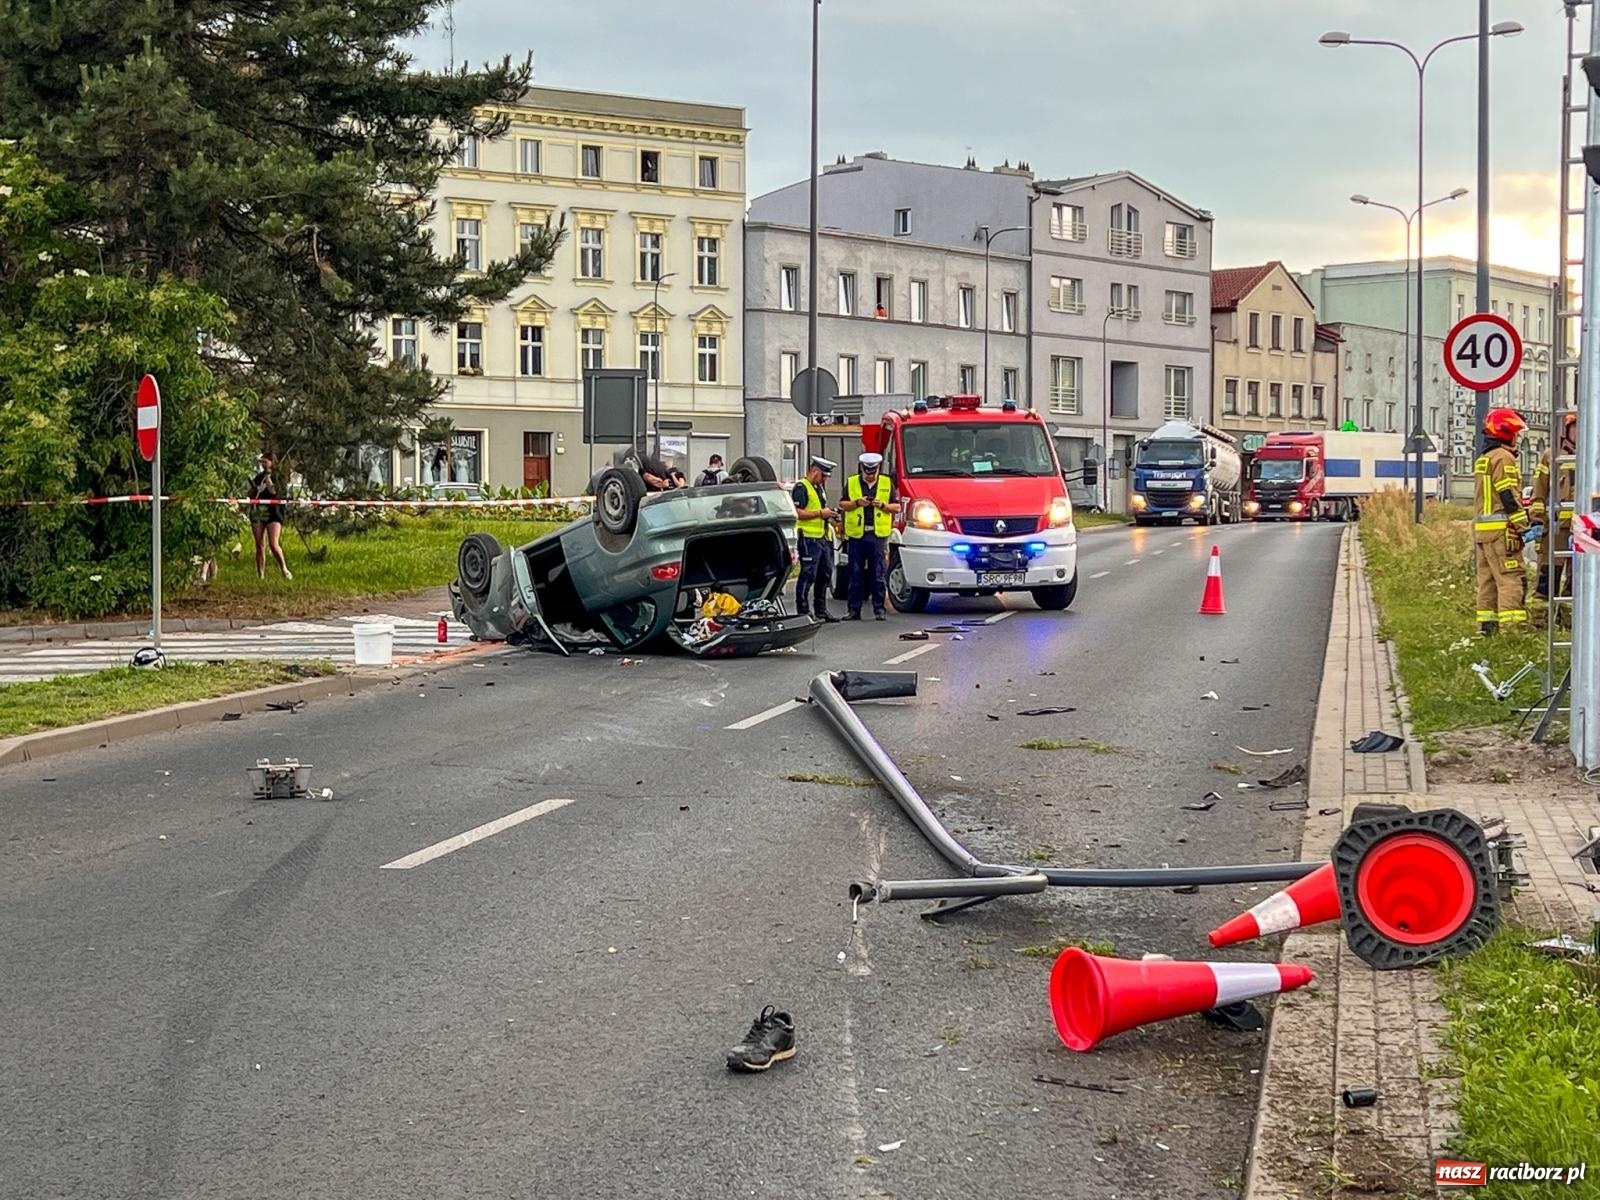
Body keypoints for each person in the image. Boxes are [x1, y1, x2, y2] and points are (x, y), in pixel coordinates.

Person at [1473, 408, 1530, 635]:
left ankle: (1487, 630)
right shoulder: (1503, 458)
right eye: (1516, 433)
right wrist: (1523, 527)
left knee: (1487, 582)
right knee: (1510, 580)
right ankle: (1512, 631)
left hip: (1483, 531)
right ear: (1506, 432)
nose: (1517, 438)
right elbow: (1508, 495)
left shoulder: (1485, 458)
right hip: (1501, 532)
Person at [840, 451, 901, 620]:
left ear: (878, 469)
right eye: (867, 472)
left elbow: (897, 507)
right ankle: (854, 610)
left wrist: (882, 505)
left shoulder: (887, 483)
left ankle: (879, 609)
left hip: (877, 535)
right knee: (855, 573)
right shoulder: (852, 482)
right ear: (862, 468)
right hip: (857, 534)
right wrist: (857, 503)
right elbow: (842, 504)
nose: (870, 476)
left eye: (873, 472)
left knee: (878, 573)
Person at [1529, 412, 1577, 628]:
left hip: (1582, 528)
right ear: (1565, 431)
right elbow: (1539, 491)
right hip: (1555, 529)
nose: (1579, 433)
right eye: (1574, 428)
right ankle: (1541, 621)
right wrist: (1537, 520)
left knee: (1577, 579)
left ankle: (1569, 622)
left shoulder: (1591, 455)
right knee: (1548, 577)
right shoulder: (1551, 456)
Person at [792, 456, 839, 622]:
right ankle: (803, 611)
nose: (824, 479)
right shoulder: (801, 487)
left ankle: (821, 610)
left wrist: (830, 514)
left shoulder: (818, 488)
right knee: (808, 575)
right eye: (823, 475)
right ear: (814, 471)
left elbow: (819, 509)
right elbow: (797, 512)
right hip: (808, 538)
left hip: (822, 537)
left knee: (825, 573)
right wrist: (820, 513)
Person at [249, 451, 292, 581]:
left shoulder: (278, 477)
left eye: (265, 462)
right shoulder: (258, 477)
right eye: (261, 462)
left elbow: (274, 492)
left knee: (273, 543)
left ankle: (284, 569)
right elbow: (252, 493)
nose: (263, 464)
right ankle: (260, 574)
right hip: (258, 511)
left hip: (274, 512)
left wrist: (268, 478)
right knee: (259, 544)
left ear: (272, 462)